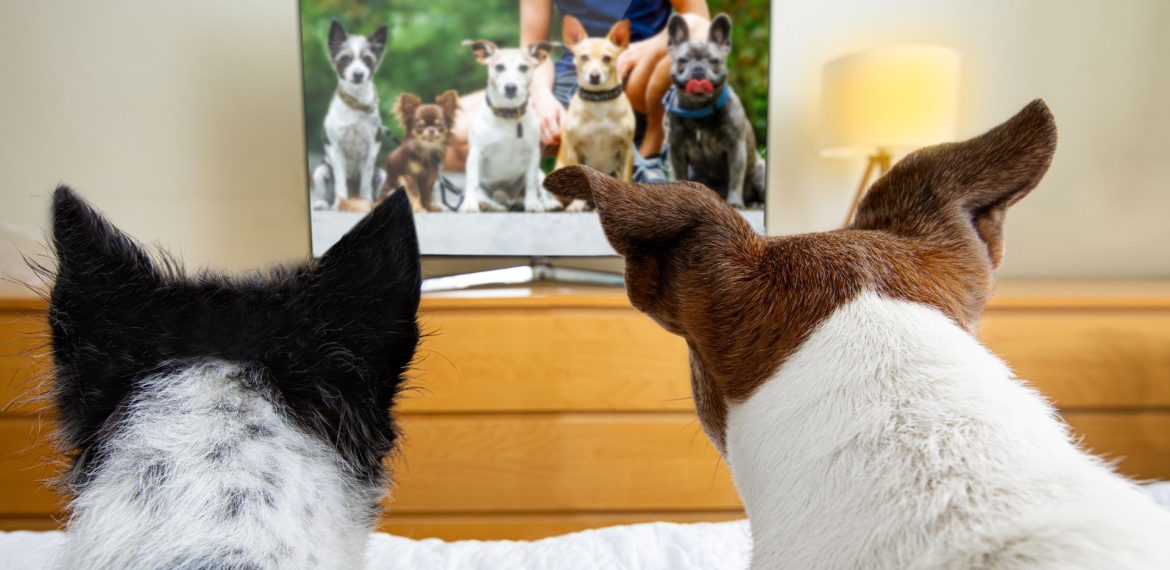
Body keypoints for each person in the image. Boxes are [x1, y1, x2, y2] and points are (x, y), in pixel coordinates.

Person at [446, 0, 711, 182]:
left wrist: (642, 50)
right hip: (573, 78)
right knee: (448, 134)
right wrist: (542, 98)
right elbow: (534, 46)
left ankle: (651, 156)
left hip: (637, 77)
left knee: (695, 30)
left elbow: (702, 24)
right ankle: (581, 159)